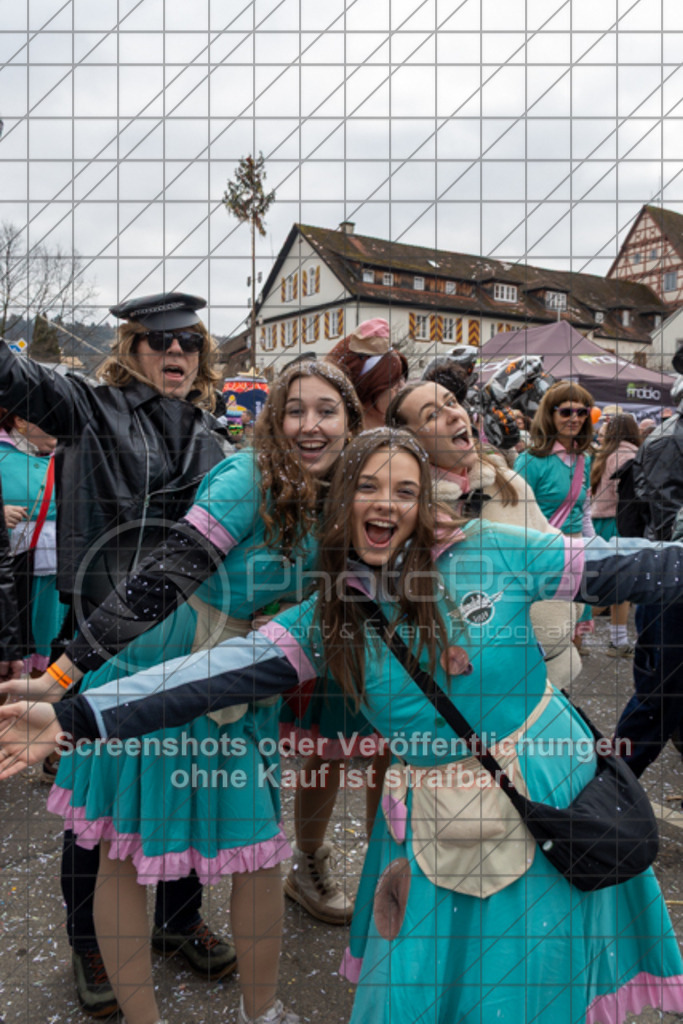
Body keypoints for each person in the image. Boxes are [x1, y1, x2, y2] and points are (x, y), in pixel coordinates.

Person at [3, 428, 683, 1024]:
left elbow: (630, 566)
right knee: (421, 981)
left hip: (552, 791)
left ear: (423, 506)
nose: (385, 502)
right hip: (440, 819)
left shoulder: (495, 551)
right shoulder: (326, 618)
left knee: (534, 980)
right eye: (366, 486)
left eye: (404, 489)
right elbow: (196, 678)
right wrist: (69, 716)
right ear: (341, 504)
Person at [0, 359, 363, 1024]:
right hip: (159, 660)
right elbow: (161, 578)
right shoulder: (246, 477)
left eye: (326, 409)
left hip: (244, 680)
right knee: (122, 845)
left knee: (256, 851)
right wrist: (61, 675)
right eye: (294, 410)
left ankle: (264, 1011)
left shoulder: (348, 494)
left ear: (349, 421)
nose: (310, 424)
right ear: (273, 421)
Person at [0, 292, 232, 1017]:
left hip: (188, 635)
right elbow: (18, 379)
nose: (175, 355)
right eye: (159, 343)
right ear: (132, 349)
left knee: (185, 783)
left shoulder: (213, 436)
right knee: (95, 801)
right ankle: (89, 937)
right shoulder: (87, 408)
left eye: (189, 344)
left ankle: (174, 916)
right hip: (99, 638)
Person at [386, 379, 581, 688]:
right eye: (431, 414)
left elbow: (551, 548)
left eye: (451, 402)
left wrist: (572, 612)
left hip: (552, 671)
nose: (453, 414)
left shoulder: (507, 481)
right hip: (481, 692)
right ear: (411, 442)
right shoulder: (408, 511)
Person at [614, 369, 683, 776]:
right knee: (660, 693)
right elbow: (667, 520)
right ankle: (611, 783)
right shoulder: (668, 440)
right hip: (670, 585)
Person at [515, 381, 596, 653]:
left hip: (576, 553)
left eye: (582, 412)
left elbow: (584, 512)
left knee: (571, 641)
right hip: (543, 555)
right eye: (566, 412)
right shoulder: (530, 460)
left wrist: (594, 547)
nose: (575, 419)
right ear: (550, 414)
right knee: (546, 640)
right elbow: (516, 515)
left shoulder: (585, 458)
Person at [590, 414, 641, 657]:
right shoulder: (628, 456)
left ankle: (617, 641)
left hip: (600, 522)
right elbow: (629, 498)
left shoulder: (606, 453)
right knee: (614, 587)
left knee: (619, 588)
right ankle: (569, 631)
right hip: (617, 523)